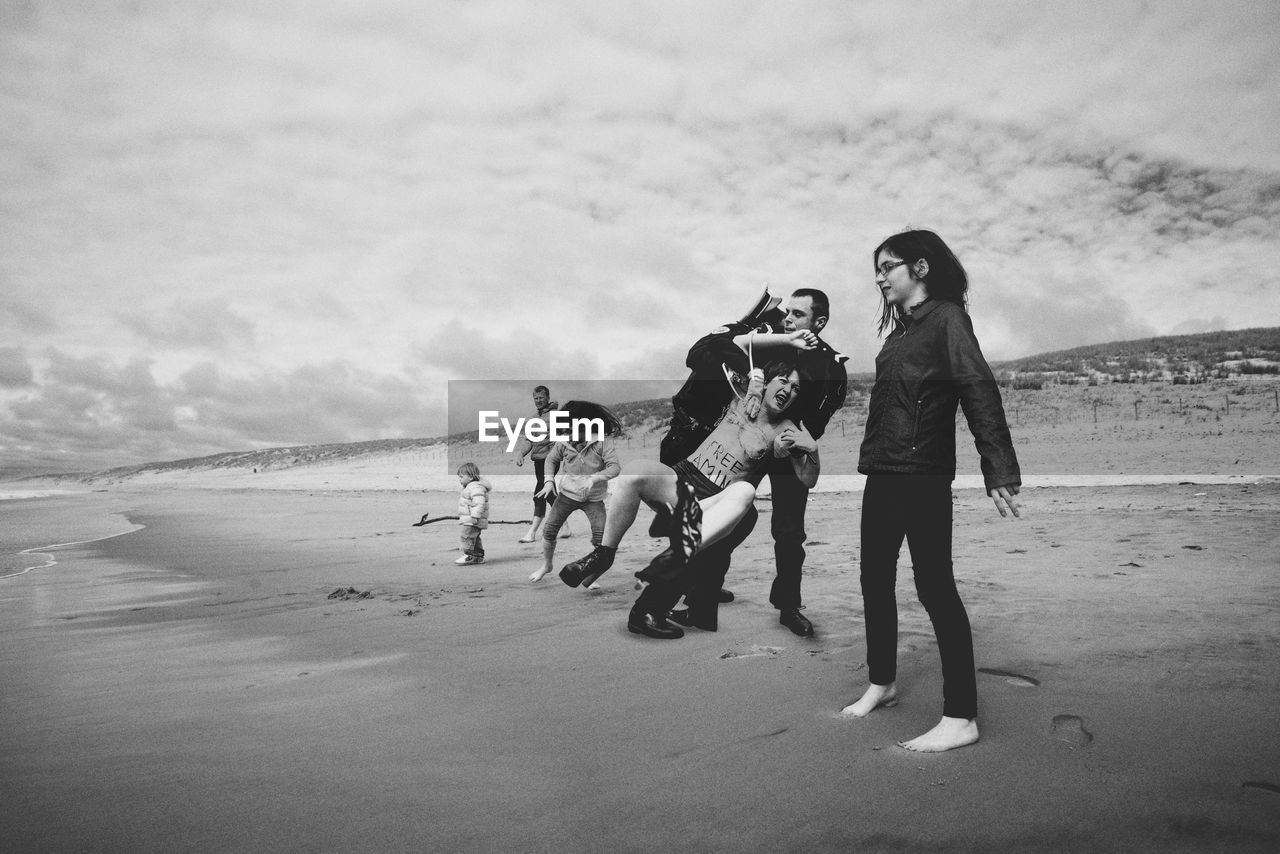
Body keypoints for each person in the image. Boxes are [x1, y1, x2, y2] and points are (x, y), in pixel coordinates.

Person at [841, 229, 1021, 753]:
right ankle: (883, 682)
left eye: (887, 267)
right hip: (882, 471)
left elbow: (977, 387)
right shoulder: (899, 335)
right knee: (873, 577)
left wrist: (999, 467)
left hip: (922, 475)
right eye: (876, 269)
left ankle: (961, 716)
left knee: (934, 588)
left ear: (920, 268)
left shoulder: (947, 319)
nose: (879, 278)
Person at [560, 359, 819, 639]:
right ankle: (603, 554)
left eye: (796, 388)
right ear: (767, 381)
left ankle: (649, 608)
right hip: (685, 477)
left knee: (743, 495)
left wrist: (811, 450)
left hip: (720, 498)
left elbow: (808, 478)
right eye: (783, 381)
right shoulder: (741, 394)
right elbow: (715, 350)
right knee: (634, 472)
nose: (789, 390)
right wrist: (754, 381)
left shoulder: (787, 429)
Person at [661, 289, 848, 636]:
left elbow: (817, 424)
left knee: (790, 532)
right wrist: (756, 333)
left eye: (798, 315)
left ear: (819, 323)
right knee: (726, 518)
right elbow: (702, 353)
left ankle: (789, 607)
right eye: (787, 312)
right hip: (746, 443)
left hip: (787, 447)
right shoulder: (768, 339)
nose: (788, 319)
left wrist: (791, 437)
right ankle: (704, 590)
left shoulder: (830, 366)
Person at [528, 401, 623, 585]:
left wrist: (595, 478)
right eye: (566, 429)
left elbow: (615, 467)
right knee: (549, 531)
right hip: (567, 495)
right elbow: (550, 460)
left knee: (602, 540)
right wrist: (549, 481)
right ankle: (547, 565)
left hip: (593, 498)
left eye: (573, 429)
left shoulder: (602, 442)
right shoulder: (564, 441)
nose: (569, 434)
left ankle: (589, 574)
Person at [514, 385, 571, 543]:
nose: (538, 401)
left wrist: (557, 456)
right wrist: (521, 453)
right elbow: (528, 440)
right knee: (549, 493)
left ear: (547, 398)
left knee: (540, 491)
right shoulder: (533, 419)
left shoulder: (557, 415)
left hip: (551, 460)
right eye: (536, 398)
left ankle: (532, 532)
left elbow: (565, 437)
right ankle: (565, 526)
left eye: (541, 398)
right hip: (538, 460)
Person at [455, 461, 491, 565]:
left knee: (466, 535)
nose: (459, 480)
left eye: (461, 477)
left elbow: (479, 502)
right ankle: (478, 556)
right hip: (471, 518)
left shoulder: (475, 487)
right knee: (474, 537)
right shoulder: (471, 487)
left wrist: (475, 515)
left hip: (473, 519)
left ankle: (469, 555)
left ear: (470, 477)